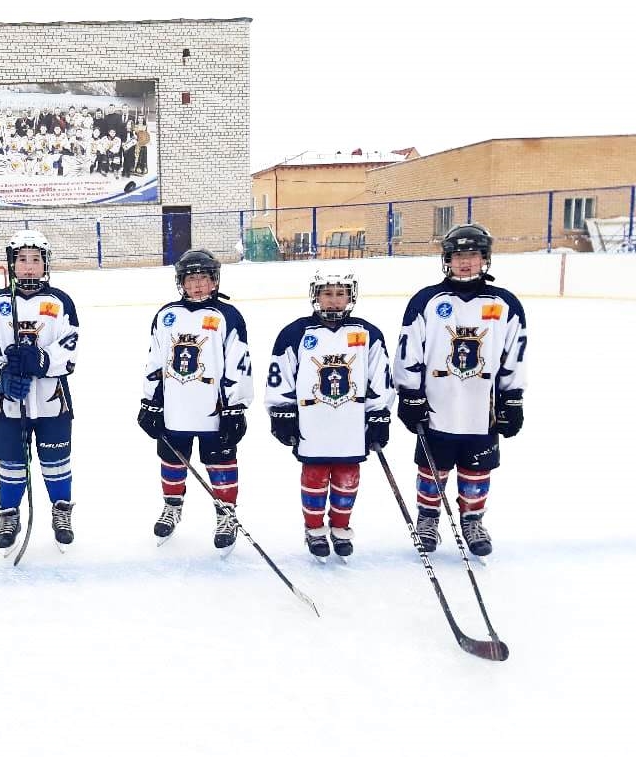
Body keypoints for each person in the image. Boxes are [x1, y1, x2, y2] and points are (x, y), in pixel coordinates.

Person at [394, 223, 527, 557]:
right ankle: (428, 518)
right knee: (432, 468)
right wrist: (409, 394)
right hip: (437, 405)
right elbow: (409, 350)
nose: (465, 262)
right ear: (447, 259)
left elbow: (514, 354)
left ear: (485, 258)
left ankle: (472, 520)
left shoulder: (505, 303)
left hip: (482, 409)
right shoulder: (427, 300)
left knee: (477, 469)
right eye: (458, 255)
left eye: (473, 254)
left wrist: (512, 398)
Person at [263, 272, 394, 558]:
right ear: (316, 296)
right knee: (315, 473)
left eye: (340, 293)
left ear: (350, 296)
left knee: (348, 473)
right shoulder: (296, 332)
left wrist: (379, 414)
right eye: (327, 293)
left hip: (351, 423)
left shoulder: (367, 333)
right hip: (313, 422)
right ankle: (314, 529)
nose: (334, 300)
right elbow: (280, 375)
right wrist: (281, 411)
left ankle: (340, 527)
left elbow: (380, 377)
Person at [137, 249, 254, 550]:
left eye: (203, 278)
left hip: (214, 409)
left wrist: (235, 407)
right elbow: (155, 360)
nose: (197, 285)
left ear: (215, 280)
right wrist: (150, 401)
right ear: (181, 282)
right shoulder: (167, 316)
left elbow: (239, 363)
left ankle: (226, 513)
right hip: (175, 407)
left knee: (221, 460)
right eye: (190, 279)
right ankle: (172, 506)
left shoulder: (228, 316)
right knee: (172, 459)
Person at [0, 229, 80, 550]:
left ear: (45, 263)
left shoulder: (59, 301)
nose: (29, 266)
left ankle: (61, 512)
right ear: (12, 264)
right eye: (22, 259)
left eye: (36, 259)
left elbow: (70, 347)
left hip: (52, 402)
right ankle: (9, 515)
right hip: (9, 403)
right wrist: (3, 376)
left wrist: (40, 360)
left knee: (56, 461)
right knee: (12, 463)